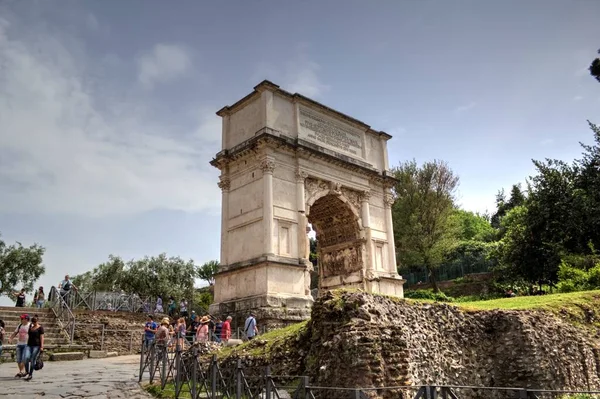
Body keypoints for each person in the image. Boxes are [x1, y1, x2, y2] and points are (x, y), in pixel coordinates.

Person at [24, 315, 44, 381]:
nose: (33, 323)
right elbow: (28, 336)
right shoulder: (30, 327)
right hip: (29, 345)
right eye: (32, 321)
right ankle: (27, 371)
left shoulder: (40, 328)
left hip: (36, 345)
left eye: (35, 321)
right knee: (26, 358)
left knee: (32, 359)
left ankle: (30, 374)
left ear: (37, 321)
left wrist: (41, 346)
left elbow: (42, 337)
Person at [11, 314, 31, 378]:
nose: (21, 320)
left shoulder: (30, 325)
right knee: (19, 359)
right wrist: (10, 338)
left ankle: (21, 371)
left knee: (23, 358)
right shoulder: (20, 325)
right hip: (19, 344)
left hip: (26, 344)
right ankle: (21, 371)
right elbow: (15, 333)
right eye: (21, 319)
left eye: (22, 319)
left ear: (26, 319)